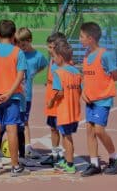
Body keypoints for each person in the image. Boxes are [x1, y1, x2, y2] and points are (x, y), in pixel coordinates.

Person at [0, 19, 29, 176]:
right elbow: (20, 76)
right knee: (12, 130)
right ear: (14, 35)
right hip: (12, 98)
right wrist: (9, 93)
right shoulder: (18, 52)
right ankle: (15, 166)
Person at [79, 22, 117, 176]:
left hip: (103, 99)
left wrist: (104, 85)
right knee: (89, 131)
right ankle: (94, 163)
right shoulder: (86, 55)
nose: (80, 39)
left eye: (82, 36)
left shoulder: (105, 54)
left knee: (99, 130)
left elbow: (116, 75)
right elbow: (86, 77)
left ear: (90, 38)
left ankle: (115, 157)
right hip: (90, 99)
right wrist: (84, 92)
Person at [48, 40, 82, 174]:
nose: (53, 59)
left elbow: (59, 92)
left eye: (54, 57)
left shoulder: (59, 73)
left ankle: (70, 164)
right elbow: (80, 89)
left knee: (67, 138)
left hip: (64, 111)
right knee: (66, 135)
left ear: (60, 58)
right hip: (75, 111)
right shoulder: (77, 72)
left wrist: (51, 101)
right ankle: (67, 159)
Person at [14, 27, 48, 159]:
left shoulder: (38, 56)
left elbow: (44, 64)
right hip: (14, 93)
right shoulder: (17, 53)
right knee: (10, 121)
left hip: (26, 96)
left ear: (30, 40)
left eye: (24, 44)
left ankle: (27, 146)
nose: (22, 47)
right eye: (19, 44)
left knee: (24, 121)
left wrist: (34, 74)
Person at [40, 32, 67, 166]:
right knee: (53, 128)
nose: (48, 49)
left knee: (63, 130)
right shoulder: (52, 60)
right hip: (51, 101)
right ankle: (55, 154)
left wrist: (54, 98)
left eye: (51, 47)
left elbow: (63, 88)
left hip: (59, 102)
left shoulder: (63, 62)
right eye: (48, 47)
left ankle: (66, 156)